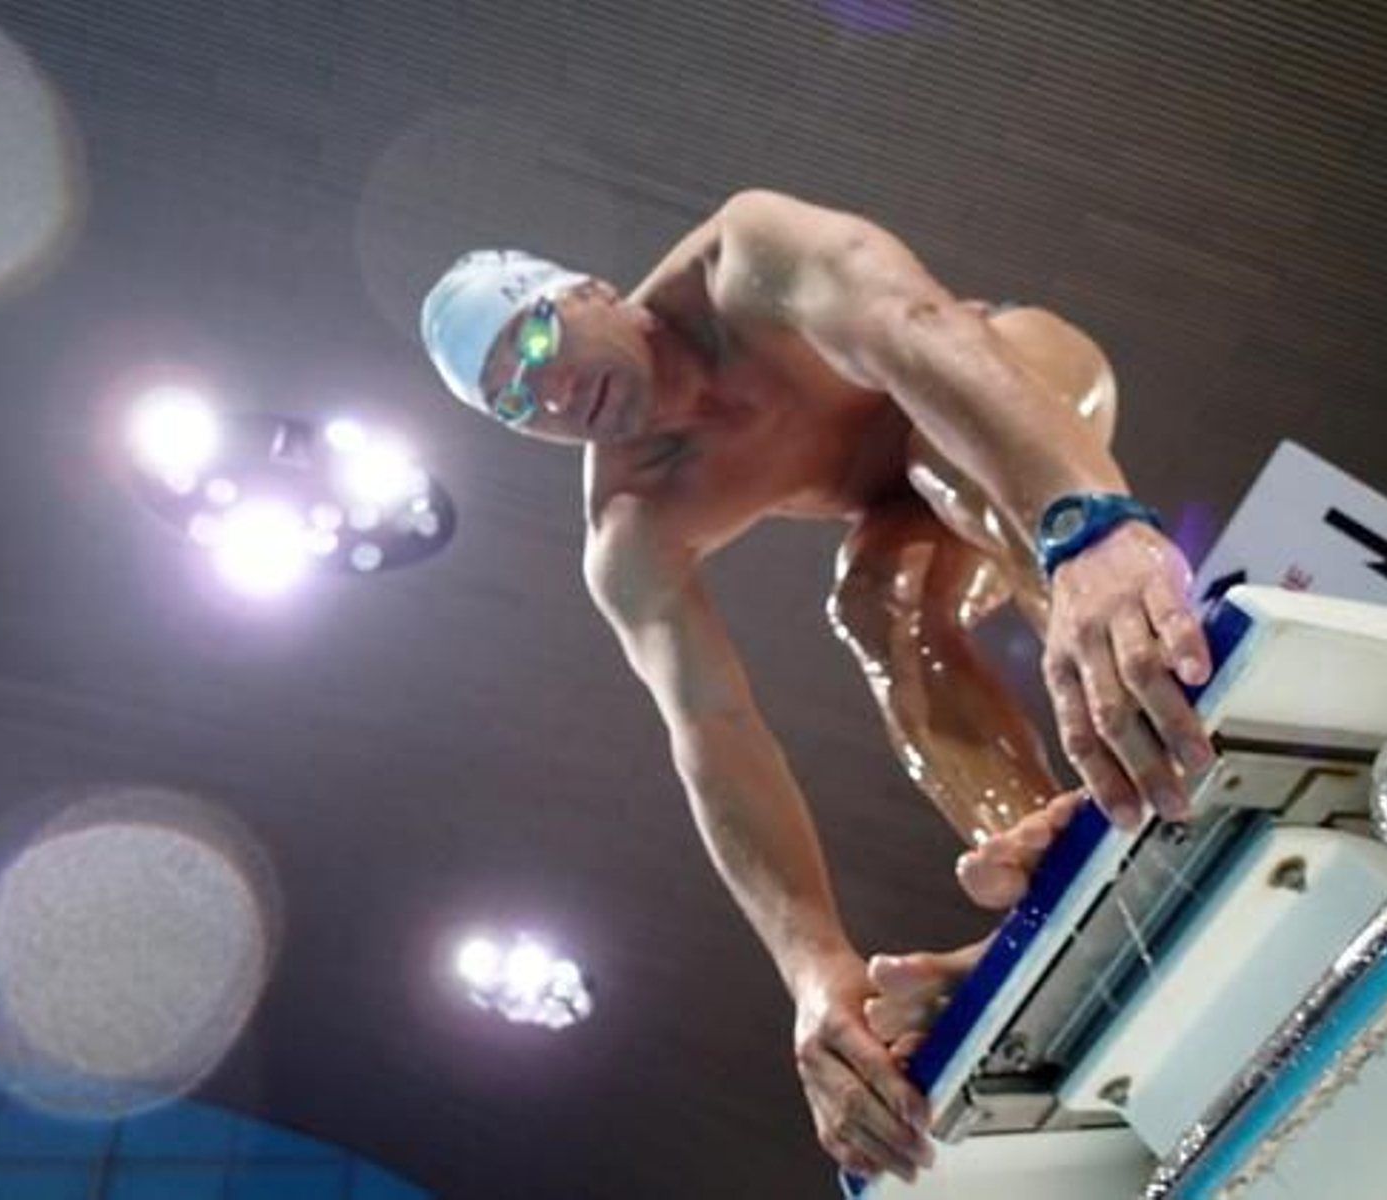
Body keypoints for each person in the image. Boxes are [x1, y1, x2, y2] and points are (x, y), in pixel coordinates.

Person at [420, 190, 1214, 1184]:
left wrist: (1085, 523)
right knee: (877, 604)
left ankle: (1138, 686)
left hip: (1006, 383)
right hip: (897, 506)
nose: (545, 390)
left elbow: (913, 330)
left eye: (533, 340)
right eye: (508, 398)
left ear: (584, 292)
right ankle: (1057, 856)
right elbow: (710, 728)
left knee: (945, 473)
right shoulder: (632, 524)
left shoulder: (744, 260)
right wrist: (813, 972)